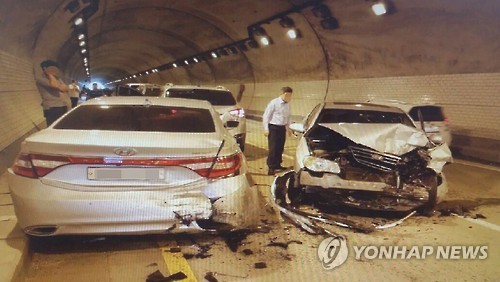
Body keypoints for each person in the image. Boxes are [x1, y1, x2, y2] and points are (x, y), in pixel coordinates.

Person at [263, 86, 293, 175]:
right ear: (282, 94)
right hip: (273, 128)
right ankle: (271, 167)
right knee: (273, 148)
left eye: (290, 96)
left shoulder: (288, 105)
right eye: (287, 95)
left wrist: (288, 128)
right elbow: (266, 116)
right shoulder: (274, 103)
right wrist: (266, 129)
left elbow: (288, 117)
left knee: (280, 147)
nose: (288, 98)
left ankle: (277, 164)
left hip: (281, 128)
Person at [37, 60, 70, 126]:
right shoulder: (41, 79)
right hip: (51, 108)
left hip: (62, 106)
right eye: (52, 68)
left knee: (62, 127)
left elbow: (66, 89)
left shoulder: (58, 79)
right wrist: (49, 74)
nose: (56, 71)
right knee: (53, 128)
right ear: (45, 69)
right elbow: (56, 86)